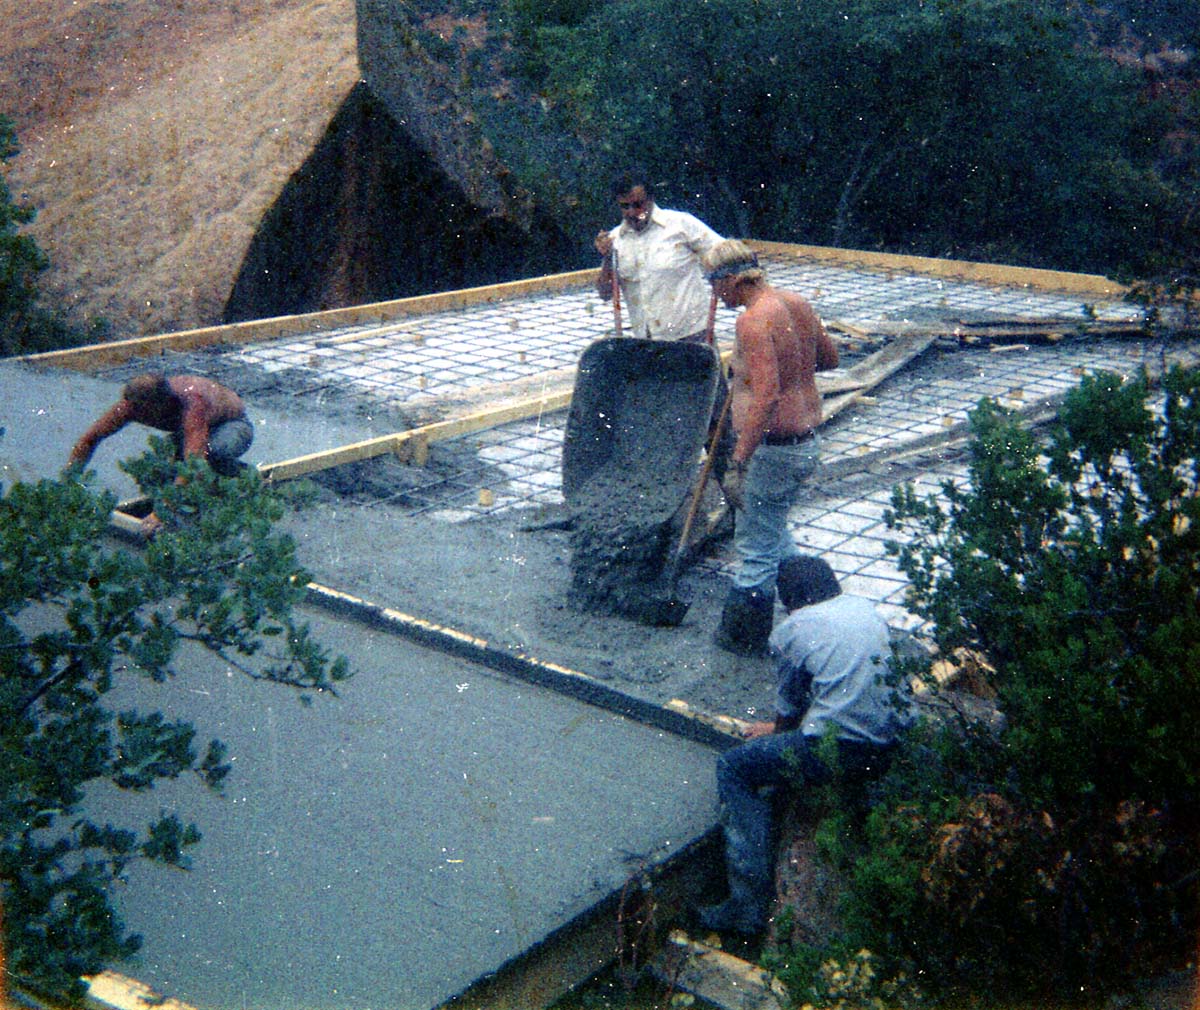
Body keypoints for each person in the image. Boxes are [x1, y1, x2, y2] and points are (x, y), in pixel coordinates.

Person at [697, 556, 915, 936]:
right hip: (892, 736)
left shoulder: (792, 629)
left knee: (733, 768)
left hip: (843, 747)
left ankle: (747, 906)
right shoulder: (863, 607)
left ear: (789, 600)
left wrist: (777, 731)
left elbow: (790, 703)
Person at [703, 239, 839, 656]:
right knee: (773, 530)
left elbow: (766, 398)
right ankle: (823, 606)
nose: (714, 294)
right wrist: (780, 362)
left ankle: (742, 641)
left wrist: (738, 462)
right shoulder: (794, 302)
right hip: (805, 442)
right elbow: (829, 359)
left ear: (730, 279)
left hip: (774, 450)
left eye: (714, 284)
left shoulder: (753, 320)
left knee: (755, 547)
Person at [68, 373, 254, 534]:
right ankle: (198, 491)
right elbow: (89, 439)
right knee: (160, 464)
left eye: (144, 411)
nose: (138, 415)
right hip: (194, 429)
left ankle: (246, 477)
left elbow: (193, 464)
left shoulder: (193, 403)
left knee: (212, 454)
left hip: (232, 426)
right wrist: (68, 482)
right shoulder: (130, 405)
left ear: (162, 403)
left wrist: (161, 513)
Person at [594, 170, 724, 343]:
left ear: (651, 199)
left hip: (693, 335)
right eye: (625, 206)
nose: (632, 212)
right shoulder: (615, 240)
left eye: (638, 205)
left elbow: (726, 254)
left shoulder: (681, 224)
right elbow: (604, 294)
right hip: (647, 342)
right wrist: (607, 258)